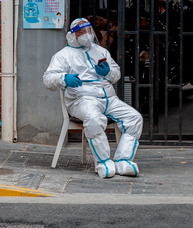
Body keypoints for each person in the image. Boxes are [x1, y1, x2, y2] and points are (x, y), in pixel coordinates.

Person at [43, 18, 143, 178]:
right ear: (72, 35)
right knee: (94, 119)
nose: (87, 34)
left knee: (134, 118)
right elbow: (48, 79)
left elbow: (116, 74)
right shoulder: (62, 56)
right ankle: (104, 162)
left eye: (89, 30)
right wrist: (64, 78)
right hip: (82, 99)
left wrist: (108, 72)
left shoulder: (101, 51)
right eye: (81, 32)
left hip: (109, 99)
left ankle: (123, 160)